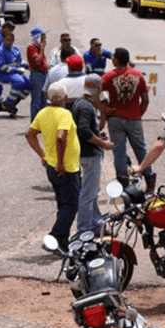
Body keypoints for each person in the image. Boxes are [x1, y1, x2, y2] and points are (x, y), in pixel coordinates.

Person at [25, 82, 81, 250]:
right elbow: (60, 137)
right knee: (71, 205)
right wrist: (61, 163)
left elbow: (30, 135)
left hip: (52, 165)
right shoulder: (64, 114)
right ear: (64, 98)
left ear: (48, 97)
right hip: (65, 168)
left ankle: (62, 241)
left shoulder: (42, 113)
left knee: (62, 204)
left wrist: (42, 154)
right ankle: (54, 238)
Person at [101, 48, 156, 191]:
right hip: (134, 118)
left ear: (117, 60)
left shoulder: (109, 76)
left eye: (113, 57)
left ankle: (123, 185)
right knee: (141, 150)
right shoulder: (138, 76)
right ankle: (150, 184)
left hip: (115, 118)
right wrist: (139, 114)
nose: (112, 59)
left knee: (118, 151)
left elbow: (95, 91)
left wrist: (103, 108)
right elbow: (145, 99)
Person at [72, 74, 114, 233]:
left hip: (85, 153)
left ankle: (96, 225)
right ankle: (84, 230)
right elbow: (83, 131)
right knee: (88, 195)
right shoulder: (86, 106)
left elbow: (87, 130)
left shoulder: (80, 103)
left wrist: (97, 134)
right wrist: (103, 143)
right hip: (90, 155)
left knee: (93, 192)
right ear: (98, 89)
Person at [0, 32, 31, 116]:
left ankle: (12, 103)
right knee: (19, 81)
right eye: (7, 40)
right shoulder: (0, 51)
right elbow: (1, 67)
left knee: (28, 85)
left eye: (10, 40)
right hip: (2, 74)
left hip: (15, 73)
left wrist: (27, 66)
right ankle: (8, 103)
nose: (8, 42)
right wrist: (16, 70)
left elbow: (20, 61)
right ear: (4, 40)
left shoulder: (16, 49)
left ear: (13, 40)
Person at [27, 26, 49, 121]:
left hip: (44, 74)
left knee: (44, 100)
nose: (44, 39)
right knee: (36, 100)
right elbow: (37, 61)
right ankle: (34, 123)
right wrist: (42, 49)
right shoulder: (32, 47)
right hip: (37, 75)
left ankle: (42, 123)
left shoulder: (39, 48)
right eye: (42, 37)